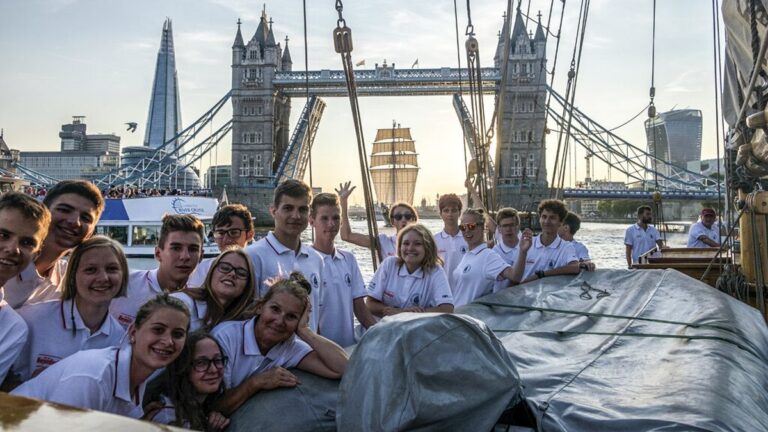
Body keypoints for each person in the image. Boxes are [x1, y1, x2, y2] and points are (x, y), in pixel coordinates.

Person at [12, 294, 190, 418]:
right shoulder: (93, 376)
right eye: (158, 330)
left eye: (178, 334)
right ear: (133, 331)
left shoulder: (135, 381)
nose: (168, 341)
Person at [212, 272, 348, 416]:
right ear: (260, 307)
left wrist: (305, 331)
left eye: (291, 316)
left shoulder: (290, 347)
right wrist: (256, 382)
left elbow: (344, 368)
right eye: (275, 309)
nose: (279, 321)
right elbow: (212, 406)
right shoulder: (225, 337)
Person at [9, 237, 128, 384]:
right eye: (90, 270)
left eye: (112, 269)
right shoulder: (31, 320)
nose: (103, 278)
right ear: (73, 275)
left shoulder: (121, 340)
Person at [2, 180, 104, 308]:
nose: (75, 222)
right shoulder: (7, 259)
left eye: (85, 218)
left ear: (90, 233)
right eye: (64, 210)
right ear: (44, 214)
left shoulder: (69, 281)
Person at [245, 179, 323, 331]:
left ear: (310, 214)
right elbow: (246, 314)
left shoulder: (316, 260)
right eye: (288, 208)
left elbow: (316, 316)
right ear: (273, 211)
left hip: (306, 352)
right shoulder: (252, 256)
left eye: (302, 209)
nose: (296, 216)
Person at [110, 214, 204, 328]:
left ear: (201, 256)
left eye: (193, 249)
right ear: (158, 254)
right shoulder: (124, 285)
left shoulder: (202, 302)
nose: (185, 256)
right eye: (176, 248)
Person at [309, 192, 376, 347]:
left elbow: (359, 307)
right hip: (319, 351)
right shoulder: (304, 261)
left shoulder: (349, 259)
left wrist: (379, 333)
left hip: (348, 347)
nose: (331, 224)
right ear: (311, 221)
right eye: (324, 218)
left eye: (336, 218)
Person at [0, 193, 51, 384]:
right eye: (3, 235)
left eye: (27, 243)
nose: (13, 249)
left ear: (36, 253)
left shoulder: (12, 328)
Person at [144, 331, 230, 431]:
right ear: (183, 368)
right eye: (201, 362)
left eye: (218, 360)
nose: (214, 369)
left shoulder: (198, 407)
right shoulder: (168, 417)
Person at [366, 224, 454, 316]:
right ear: (399, 247)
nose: (410, 248)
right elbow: (369, 304)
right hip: (385, 327)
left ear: (428, 248)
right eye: (406, 243)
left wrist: (408, 314)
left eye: (417, 244)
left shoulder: (435, 271)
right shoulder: (389, 264)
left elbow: (447, 309)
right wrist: (395, 311)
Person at [171, 247, 256, 332]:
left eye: (241, 273)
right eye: (225, 268)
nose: (232, 274)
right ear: (211, 272)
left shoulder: (245, 323)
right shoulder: (181, 303)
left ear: (247, 285)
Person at [336, 180, 419, 263]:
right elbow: (346, 236)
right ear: (393, 221)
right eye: (398, 217)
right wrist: (343, 202)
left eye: (407, 216)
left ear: (414, 219)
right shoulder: (383, 242)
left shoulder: (425, 243)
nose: (403, 219)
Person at [452, 209, 519, 306]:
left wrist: (523, 252)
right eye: (462, 227)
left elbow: (514, 276)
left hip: (469, 316)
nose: (467, 230)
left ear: (483, 227)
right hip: (456, 314)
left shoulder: (488, 256)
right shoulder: (468, 255)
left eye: (471, 226)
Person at [511, 200, 581, 283]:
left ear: (561, 222)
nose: (547, 221)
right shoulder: (526, 244)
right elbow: (513, 277)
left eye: (552, 218)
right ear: (539, 219)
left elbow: (575, 267)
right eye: (544, 217)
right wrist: (523, 252)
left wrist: (542, 275)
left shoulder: (566, 247)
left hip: (550, 294)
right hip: (524, 293)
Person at [187, 204, 255, 288]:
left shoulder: (259, 270)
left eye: (233, 232)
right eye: (220, 233)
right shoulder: (201, 271)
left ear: (250, 235)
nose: (226, 239)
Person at [433, 193, 468, 292]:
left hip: (466, 293)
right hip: (443, 293)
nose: (450, 214)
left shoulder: (469, 238)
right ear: (441, 214)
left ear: (459, 213)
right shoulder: (433, 240)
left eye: (454, 210)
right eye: (446, 210)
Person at [492, 208, 523, 292]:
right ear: (499, 228)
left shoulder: (530, 248)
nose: (508, 229)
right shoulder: (494, 253)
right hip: (502, 300)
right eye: (505, 226)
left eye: (512, 225)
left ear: (518, 227)